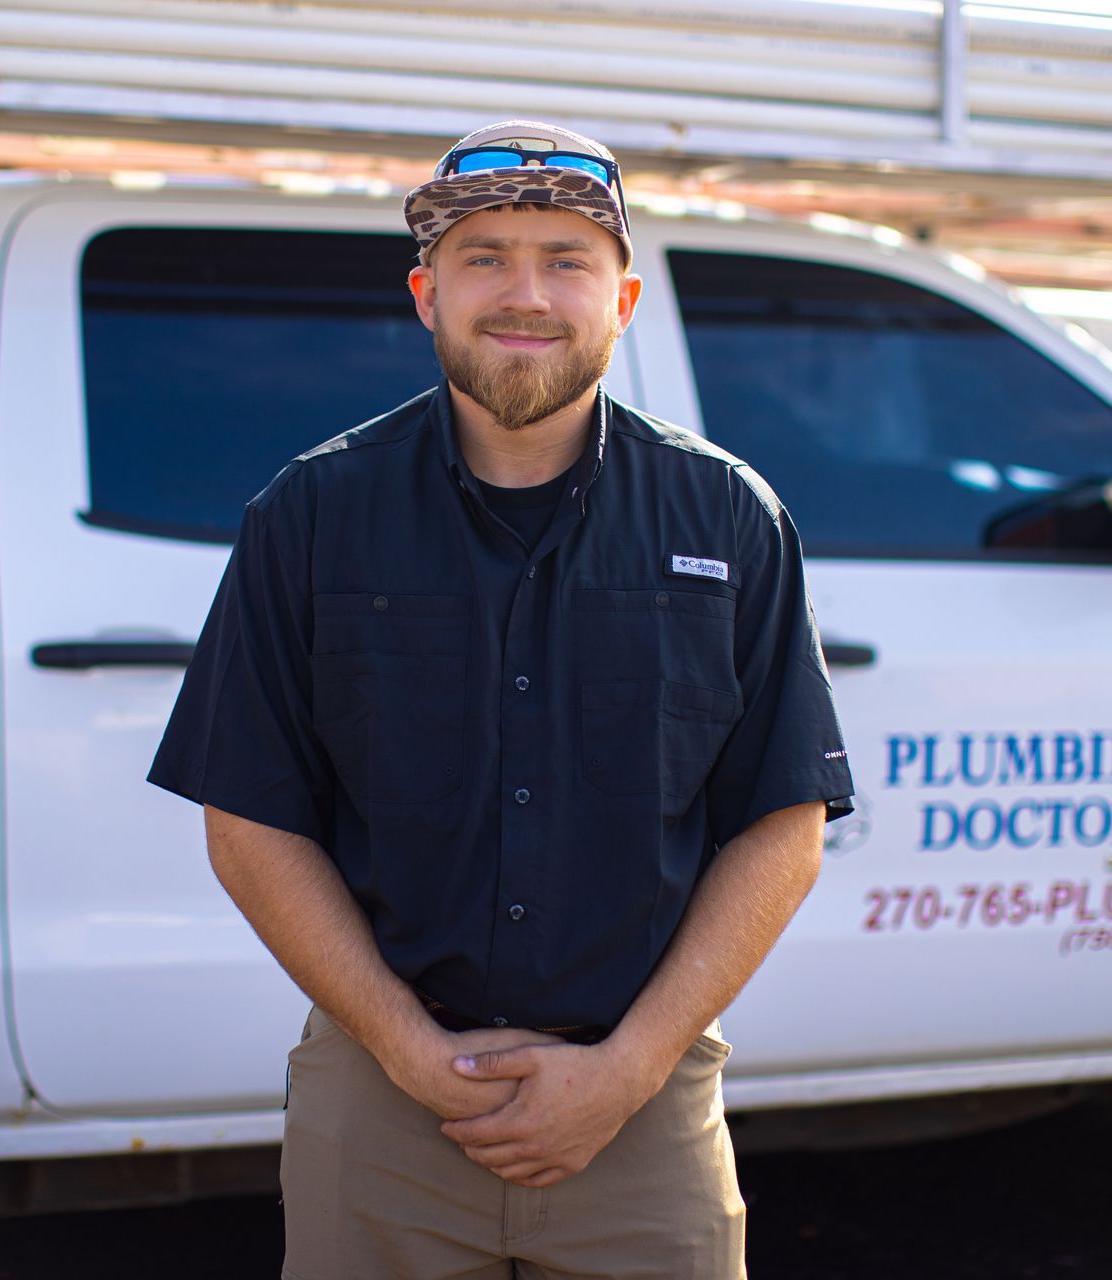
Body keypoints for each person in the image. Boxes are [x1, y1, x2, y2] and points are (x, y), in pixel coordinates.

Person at [148, 119, 854, 1279]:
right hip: (383, 1106)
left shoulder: (729, 521)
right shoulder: (311, 516)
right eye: (486, 257)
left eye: (566, 259)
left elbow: (782, 826)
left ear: (621, 299)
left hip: (642, 1105)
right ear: (428, 293)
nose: (525, 293)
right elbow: (251, 819)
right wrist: (411, 1049)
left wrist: (625, 1069)